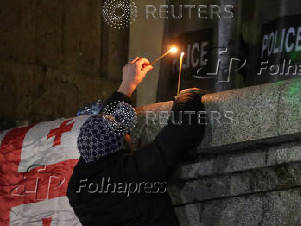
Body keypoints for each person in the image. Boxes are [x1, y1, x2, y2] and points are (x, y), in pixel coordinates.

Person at [67, 57, 206, 226]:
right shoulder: (131, 175)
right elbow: (180, 133)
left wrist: (127, 85)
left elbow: (101, 135)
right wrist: (187, 99)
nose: (128, 135)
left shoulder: (78, 186)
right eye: (124, 134)